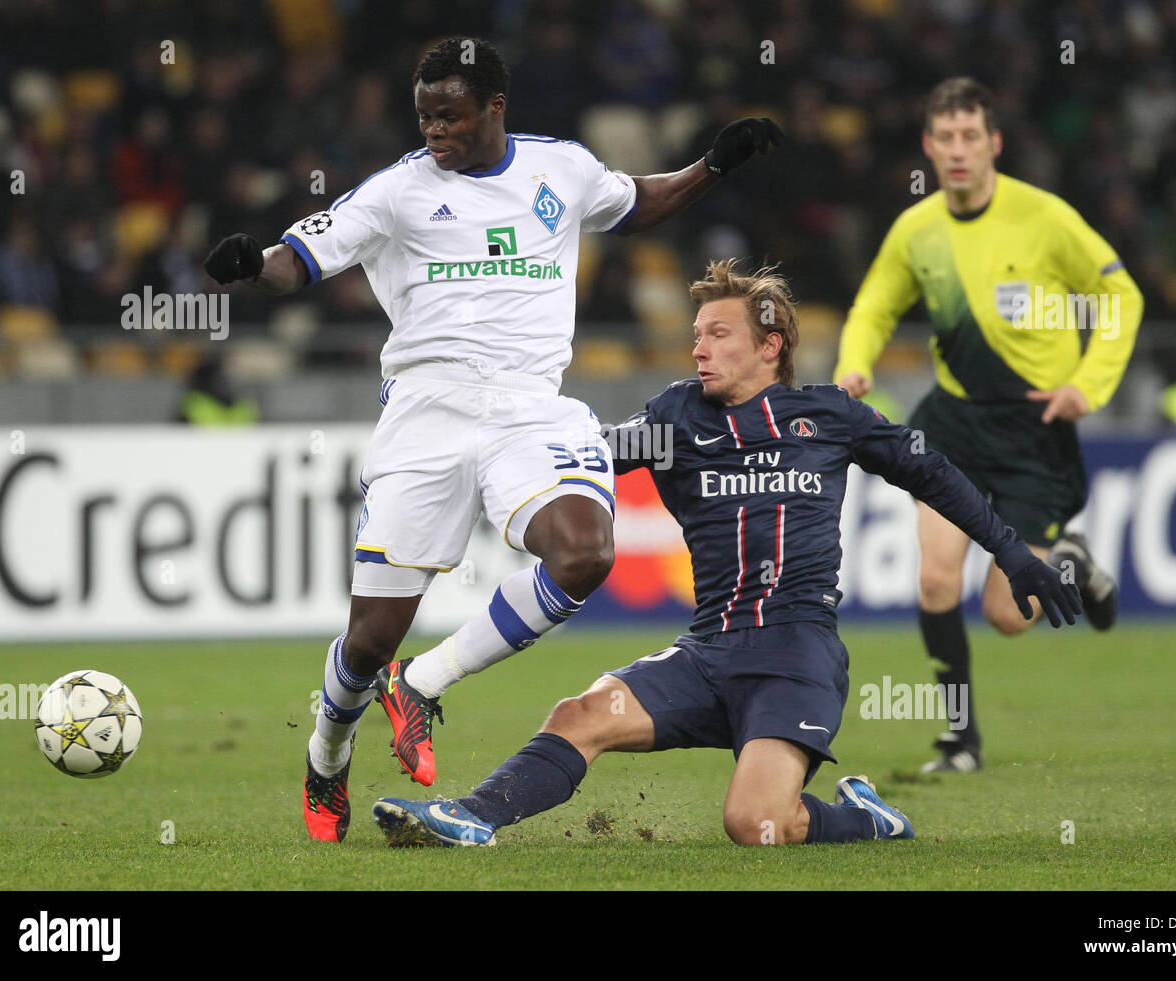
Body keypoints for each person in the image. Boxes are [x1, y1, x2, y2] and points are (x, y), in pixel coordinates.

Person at [203, 37, 783, 842]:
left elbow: (635, 202)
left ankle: (427, 681)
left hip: (527, 408)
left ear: (495, 108)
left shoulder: (561, 169)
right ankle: (326, 754)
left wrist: (711, 166)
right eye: (425, 116)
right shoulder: (397, 191)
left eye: (451, 114)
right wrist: (251, 265)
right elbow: (300, 258)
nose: (435, 130)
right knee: (369, 638)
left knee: (585, 552)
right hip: (426, 411)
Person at [370, 260, 1081, 849]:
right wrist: (482, 444)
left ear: (770, 346)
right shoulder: (678, 418)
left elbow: (931, 472)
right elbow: (591, 460)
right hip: (708, 653)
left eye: (717, 333)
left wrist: (1013, 553)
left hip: (795, 656)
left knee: (757, 823)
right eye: (696, 334)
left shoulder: (829, 417)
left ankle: (868, 818)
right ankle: (471, 815)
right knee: (578, 713)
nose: (698, 348)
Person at [833, 77, 1143, 773]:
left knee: (1008, 614)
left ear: (995, 142)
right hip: (953, 424)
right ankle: (959, 740)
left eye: (971, 136)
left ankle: (1071, 560)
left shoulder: (1044, 218)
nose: (959, 151)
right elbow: (874, 305)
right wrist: (856, 364)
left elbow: (1119, 294)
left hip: (1037, 428)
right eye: (945, 138)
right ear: (928, 146)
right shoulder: (918, 229)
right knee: (937, 580)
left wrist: (1088, 386)